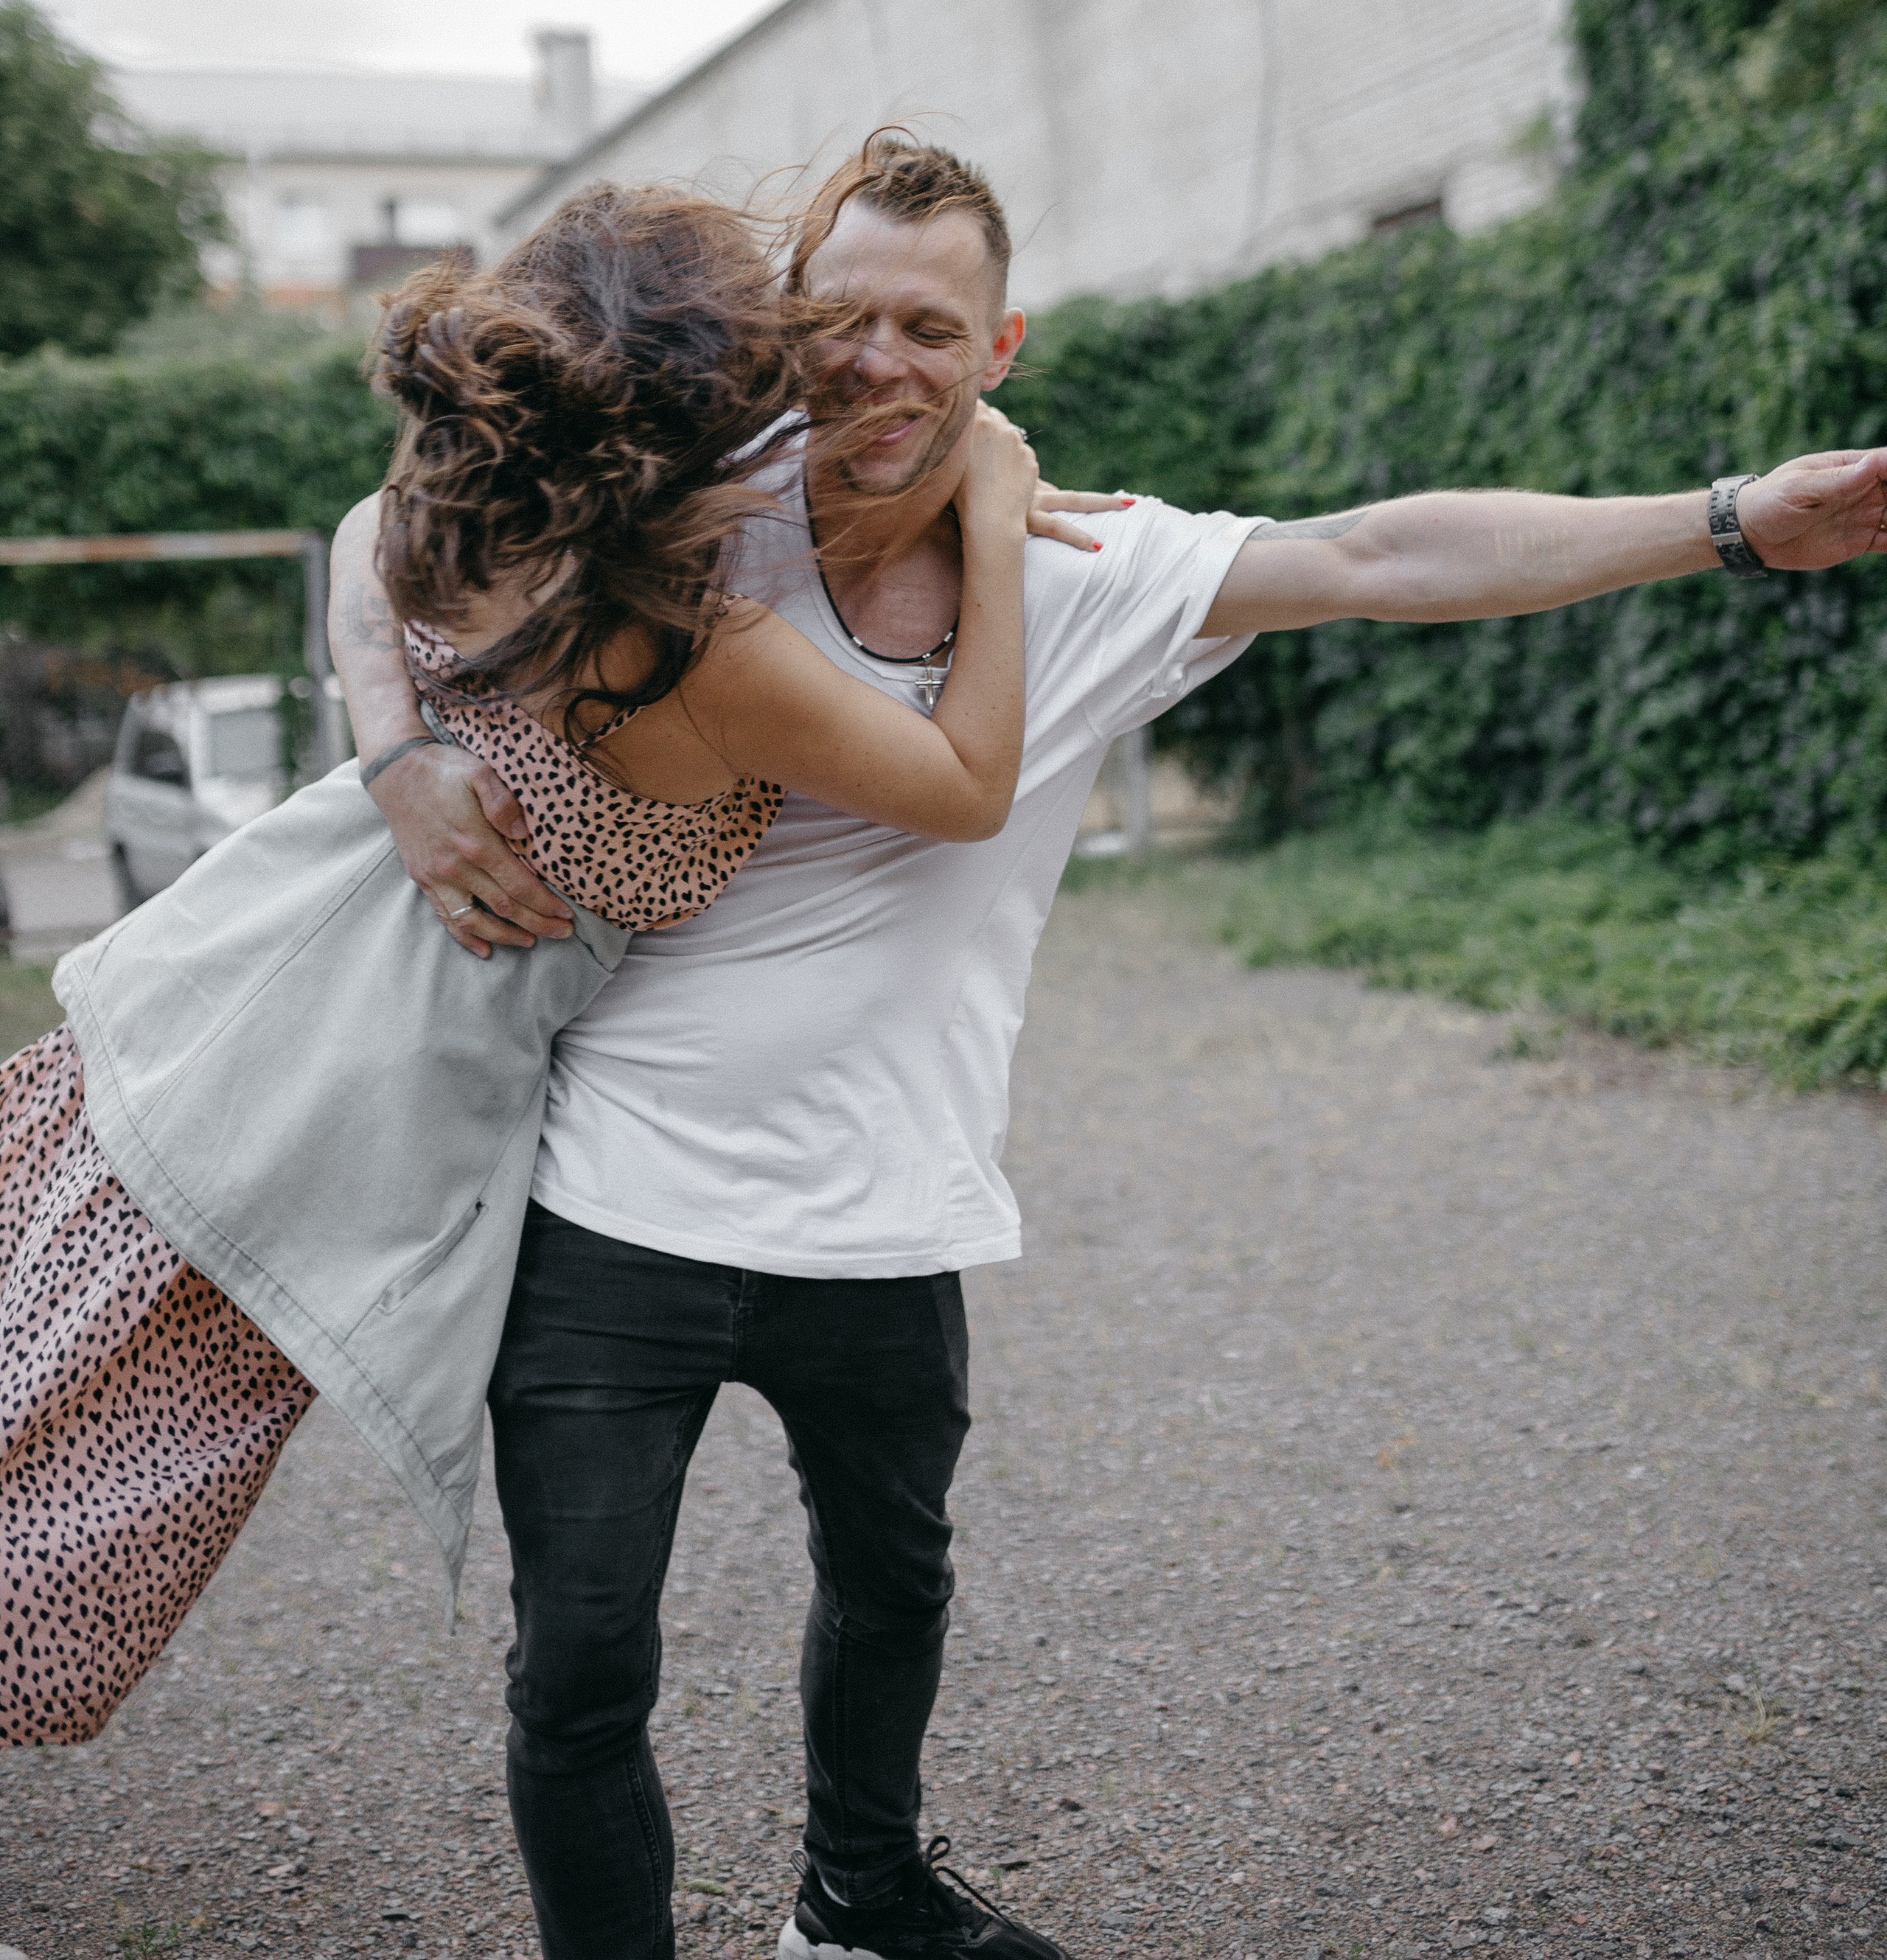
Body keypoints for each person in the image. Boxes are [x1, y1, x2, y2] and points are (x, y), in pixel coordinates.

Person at [334, 132, 1887, 1960]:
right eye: (835, 318)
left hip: (889, 1206)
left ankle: (859, 1899)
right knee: (581, 1661)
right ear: (776, 334)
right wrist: (399, 755)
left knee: (893, 1583)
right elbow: (386, 526)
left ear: (998, 352)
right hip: (611, 1208)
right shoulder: (687, 523)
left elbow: (1386, 552)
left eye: (927, 324)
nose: (874, 361)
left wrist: (1724, 518)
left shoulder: (1078, 570)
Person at [2, 178, 1050, 1749]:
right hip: (284, 1089)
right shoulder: (684, 640)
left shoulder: (492, 529)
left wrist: (396, 750)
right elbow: (966, 787)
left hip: (228, 1028)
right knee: (62, 1508)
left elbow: (367, 522)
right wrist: (997, 526)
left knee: (52, 1459)